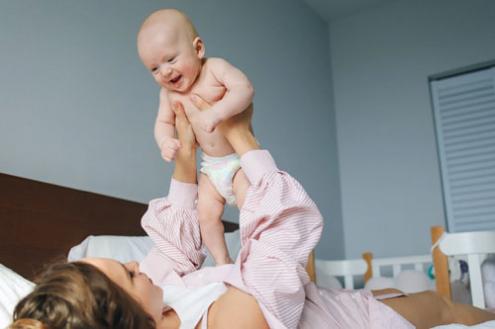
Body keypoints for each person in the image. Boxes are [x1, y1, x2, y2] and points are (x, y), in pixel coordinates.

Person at [10, 96, 495, 329]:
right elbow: (275, 247)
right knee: (439, 306)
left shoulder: (162, 306)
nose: (141, 264)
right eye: (130, 273)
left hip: (332, 301)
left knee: (387, 290)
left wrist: (184, 156)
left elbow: (174, 248)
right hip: (352, 323)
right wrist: (244, 141)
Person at [137, 8, 254, 266]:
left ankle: (254, 255)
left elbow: (244, 89)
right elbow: (163, 122)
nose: (165, 72)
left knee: (252, 206)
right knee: (205, 216)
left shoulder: (215, 69)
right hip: (210, 168)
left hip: (238, 162)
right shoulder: (168, 95)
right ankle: (223, 260)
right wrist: (165, 141)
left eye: (170, 59)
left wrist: (216, 113)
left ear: (198, 49)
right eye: (155, 68)